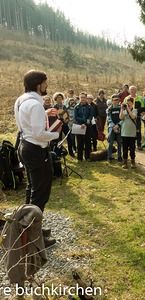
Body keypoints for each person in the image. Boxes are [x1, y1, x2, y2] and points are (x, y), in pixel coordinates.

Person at [14, 69, 61, 247]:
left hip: (25, 146)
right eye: (45, 82)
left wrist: (44, 114)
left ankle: (27, 226)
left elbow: (24, 125)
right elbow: (40, 133)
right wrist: (56, 134)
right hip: (36, 150)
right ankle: (33, 236)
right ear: (38, 84)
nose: (47, 85)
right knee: (40, 194)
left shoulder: (21, 100)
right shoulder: (35, 105)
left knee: (32, 188)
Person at [53, 92, 75, 157]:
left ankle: (71, 152)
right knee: (59, 140)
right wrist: (62, 119)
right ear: (56, 99)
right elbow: (56, 116)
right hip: (58, 125)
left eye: (60, 98)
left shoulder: (64, 106)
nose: (59, 99)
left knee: (69, 138)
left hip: (65, 124)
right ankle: (58, 154)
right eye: (58, 98)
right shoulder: (54, 107)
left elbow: (66, 114)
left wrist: (67, 119)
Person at [124, 85, 144, 150]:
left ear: (136, 90)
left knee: (138, 131)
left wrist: (135, 111)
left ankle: (139, 144)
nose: (132, 91)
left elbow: (143, 108)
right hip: (128, 118)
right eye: (131, 89)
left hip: (137, 117)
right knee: (130, 131)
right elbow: (123, 107)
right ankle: (130, 145)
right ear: (129, 91)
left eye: (134, 89)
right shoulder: (126, 98)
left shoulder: (140, 98)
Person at [74, 92, 93, 162]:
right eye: (81, 97)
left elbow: (91, 115)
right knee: (80, 143)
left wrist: (87, 122)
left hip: (88, 126)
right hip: (79, 126)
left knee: (88, 142)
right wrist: (85, 121)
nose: (83, 99)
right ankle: (79, 158)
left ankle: (87, 157)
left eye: (84, 97)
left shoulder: (90, 106)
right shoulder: (77, 107)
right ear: (79, 98)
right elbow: (76, 117)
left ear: (86, 98)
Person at [119, 97, 137, 169]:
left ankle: (133, 160)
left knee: (132, 148)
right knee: (125, 148)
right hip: (124, 133)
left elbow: (133, 117)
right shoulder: (124, 110)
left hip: (132, 133)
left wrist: (128, 109)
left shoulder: (135, 110)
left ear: (132, 103)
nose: (128, 104)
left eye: (130, 103)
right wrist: (122, 109)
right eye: (127, 103)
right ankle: (125, 161)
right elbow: (121, 117)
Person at [107, 94, 122, 162]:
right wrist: (113, 126)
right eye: (114, 100)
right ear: (112, 101)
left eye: (117, 100)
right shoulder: (109, 109)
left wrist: (118, 125)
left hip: (119, 127)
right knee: (110, 142)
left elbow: (122, 118)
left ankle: (119, 156)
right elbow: (109, 118)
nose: (116, 101)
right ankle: (109, 156)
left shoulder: (121, 108)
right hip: (111, 127)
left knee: (119, 142)